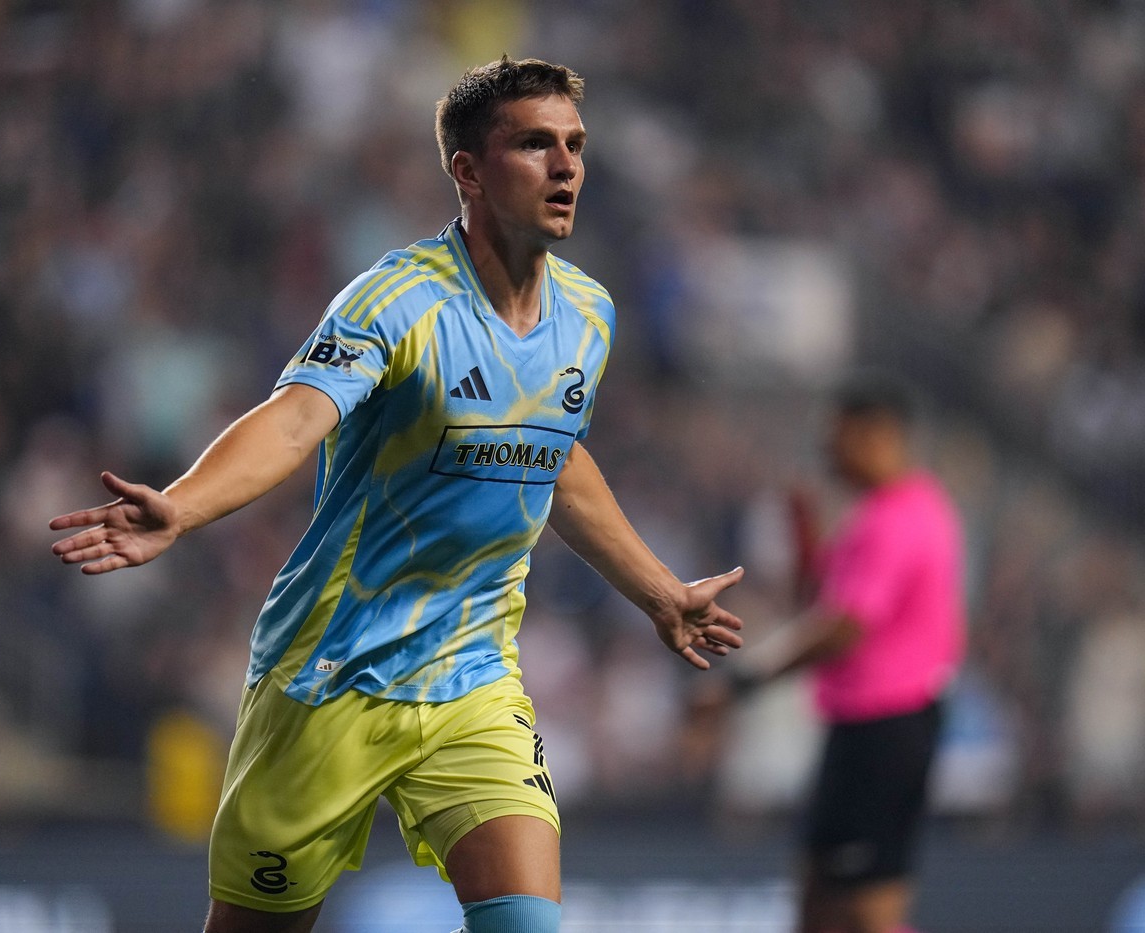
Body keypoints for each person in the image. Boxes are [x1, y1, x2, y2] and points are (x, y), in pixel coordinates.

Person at [50, 57, 746, 933]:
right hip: (330, 675)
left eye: (574, 145)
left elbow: (556, 458)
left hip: (473, 677)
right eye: (536, 145)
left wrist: (660, 592)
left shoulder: (589, 315)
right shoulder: (396, 302)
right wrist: (184, 506)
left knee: (527, 925)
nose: (566, 166)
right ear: (469, 171)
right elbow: (293, 422)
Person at [697, 373, 965, 933]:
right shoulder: (879, 515)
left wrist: (744, 682)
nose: (828, 453)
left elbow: (842, 629)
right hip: (862, 727)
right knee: (819, 897)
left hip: (887, 729)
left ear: (877, 435)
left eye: (838, 439)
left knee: (868, 909)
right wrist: (807, 538)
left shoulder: (899, 518)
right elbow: (820, 603)